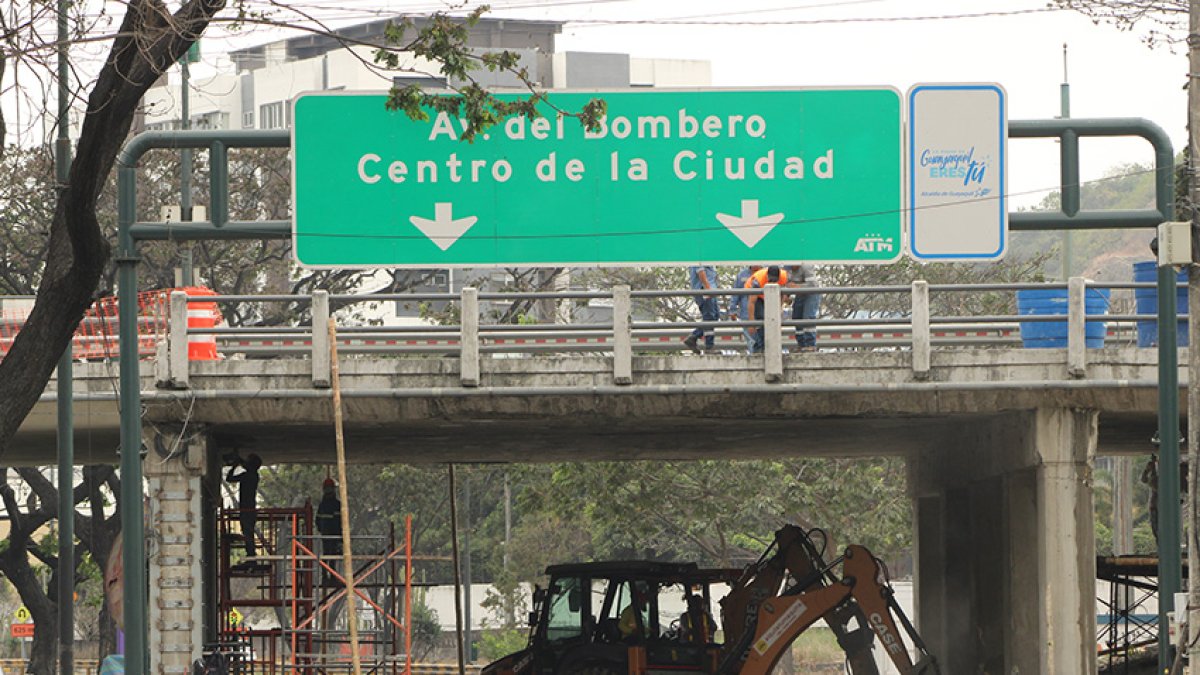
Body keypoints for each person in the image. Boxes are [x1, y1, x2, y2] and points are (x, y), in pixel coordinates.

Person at [226, 453, 263, 560]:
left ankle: (251, 555)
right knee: (248, 532)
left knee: (247, 533)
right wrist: (240, 461)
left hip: (247, 509)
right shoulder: (253, 475)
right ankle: (251, 555)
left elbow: (229, 478)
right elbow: (247, 466)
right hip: (249, 508)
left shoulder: (247, 475)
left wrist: (234, 466)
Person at [745, 265, 789, 354]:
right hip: (758, 296)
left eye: (775, 281)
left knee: (773, 319)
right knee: (761, 317)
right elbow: (752, 302)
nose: (772, 282)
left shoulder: (784, 277)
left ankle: (772, 346)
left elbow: (782, 296)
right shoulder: (757, 280)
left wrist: (779, 310)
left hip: (772, 294)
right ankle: (761, 347)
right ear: (767, 276)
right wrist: (751, 322)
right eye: (771, 280)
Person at [684, 265, 719, 354]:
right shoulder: (699, 259)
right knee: (709, 318)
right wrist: (707, 289)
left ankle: (694, 337)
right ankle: (709, 346)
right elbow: (701, 272)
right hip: (705, 290)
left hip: (711, 290)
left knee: (715, 316)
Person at [788, 264, 822, 352]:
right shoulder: (786, 268)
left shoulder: (806, 267)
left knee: (808, 317)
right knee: (797, 318)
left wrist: (797, 287)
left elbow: (812, 285)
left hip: (812, 293)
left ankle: (810, 344)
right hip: (800, 294)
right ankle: (801, 344)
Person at [728, 265, 761, 354]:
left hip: (762, 312)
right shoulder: (742, 275)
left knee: (762, 338)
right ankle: (754, 356)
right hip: (746, 312)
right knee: (751, 339)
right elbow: (736, 293)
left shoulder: (765, 273)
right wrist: (733, 310)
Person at [316, 477, 343, 582]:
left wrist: (322, 530)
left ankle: (325, 576)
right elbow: (338, 521)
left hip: (325, 534)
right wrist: (340, 536)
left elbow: (317, 521)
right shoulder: (336, 504)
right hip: (333, 534)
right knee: (332, 555)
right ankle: (331, 576)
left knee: (327, 554)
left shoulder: (322, 505)